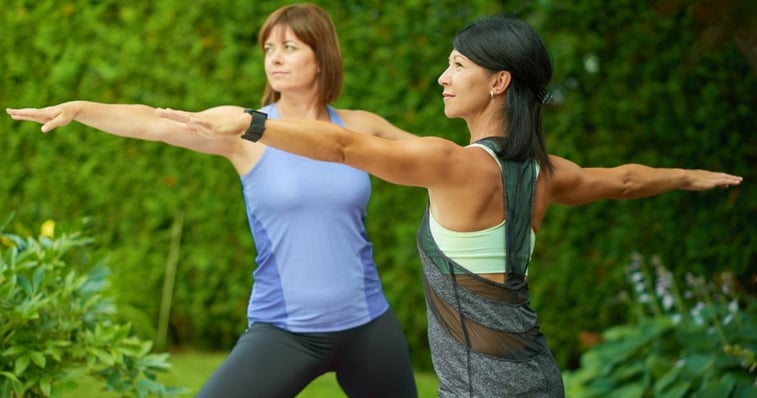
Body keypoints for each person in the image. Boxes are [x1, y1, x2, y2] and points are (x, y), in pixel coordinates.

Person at [154, 14, 744, 398]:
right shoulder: (543, 171)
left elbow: (340, 145)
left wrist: (254, 123)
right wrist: (691, 176)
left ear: (498, 83)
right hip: (539, 379)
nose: (443, 77)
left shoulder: (456, 164)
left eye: (458, 65)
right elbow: (622, 181)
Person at [6, 4, 420, 398]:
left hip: (367, 323)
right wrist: (82, 108)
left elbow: (443, 162)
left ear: (321, 56)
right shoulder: (245, 127)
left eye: (289, 47)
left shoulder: (359, 127)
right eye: (268, 49)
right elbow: (156, 122)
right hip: (286, 329)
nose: (274, 58)